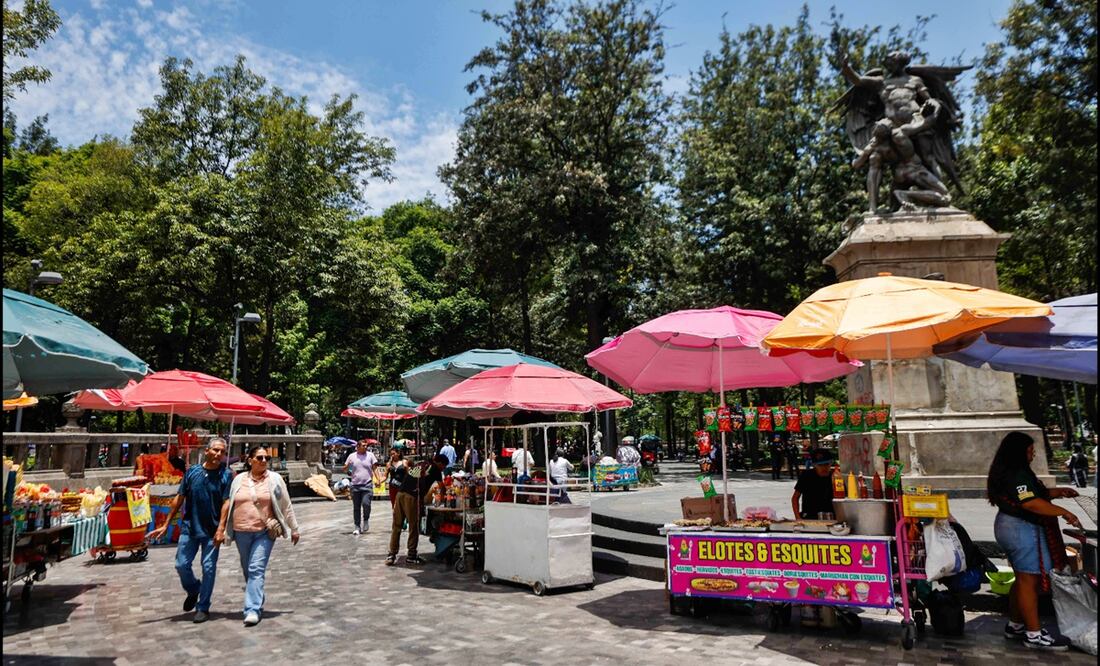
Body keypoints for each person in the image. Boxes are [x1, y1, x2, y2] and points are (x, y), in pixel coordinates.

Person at [987, 431, 1081, 650]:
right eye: (1029, 451)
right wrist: (1063, 512)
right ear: (1017, 453)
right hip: (1020, 528)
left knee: (1022, 579)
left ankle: (1016, 625)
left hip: (1011, 525)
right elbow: (1030, 502)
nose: (1032, 455)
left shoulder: (1015, 472)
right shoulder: (1017, 473)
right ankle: (1034, 634)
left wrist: (1057, 493)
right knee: (1030, 581)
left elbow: (1033, 494)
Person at [147, 437, 232, 623]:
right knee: (181, 564)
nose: (219, 454)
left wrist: (221, 528)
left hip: (212, 529)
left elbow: (226, 502)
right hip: (190, 527)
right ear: (207, 451)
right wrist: (166, 523)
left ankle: (203, 606)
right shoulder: (193, 472)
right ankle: (194, 589)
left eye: (222, 452)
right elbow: (179, 497)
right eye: (216, 450)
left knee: (208, 568)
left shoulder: (226, 475)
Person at [215, 446, 300, 627]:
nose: (263, 461)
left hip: (264, 532)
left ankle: (252, 609)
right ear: (250, 460)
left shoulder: (275, 480)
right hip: (241, 531)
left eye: (266, 458)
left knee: (256, 568)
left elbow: (286, 504)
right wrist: (222, 528)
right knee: (247, 569)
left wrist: (294, 528)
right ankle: (256, 595)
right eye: (260, 458)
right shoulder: (238, 480)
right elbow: (229, 502)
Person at [386, 454, 447, 566]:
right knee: (414, 526)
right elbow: (441, 487)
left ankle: (391, 555)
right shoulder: (435, 469)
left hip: (401, 493)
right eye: (444, 466)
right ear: (440, 463)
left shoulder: (421, 464)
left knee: (397, 526)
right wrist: (443, 499)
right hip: (412, 496)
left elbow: (413, 477)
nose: (444, 468)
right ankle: (411, 555)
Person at [344, 439, 378, 535]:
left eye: (366, 445)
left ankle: (366, 519)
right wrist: (348, 467)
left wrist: (378, 479)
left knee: (366, 504)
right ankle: (357, 526)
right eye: (363, 445)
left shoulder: (370, 455)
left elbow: (374, 468)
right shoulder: (352, 456)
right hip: (355, 485)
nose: (366, 447)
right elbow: (346, 470)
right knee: (356, 507)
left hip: (367, 484)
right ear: (358, 447)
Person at [791, 449, 836, 520]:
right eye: (820, 465)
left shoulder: (836, 477)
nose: (824, 468)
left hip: (832, 517)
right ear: (814, 465)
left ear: (831, 463)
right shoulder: (806, 476)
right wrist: (798, 517)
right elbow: (795, 498)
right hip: (809, 516)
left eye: (826, 464)